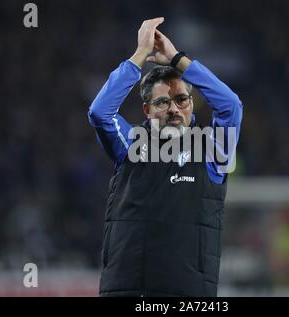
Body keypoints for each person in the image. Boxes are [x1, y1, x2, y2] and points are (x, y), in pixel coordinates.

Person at [88, 17, 243, 297]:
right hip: (128, 290)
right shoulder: (131, 143)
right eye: (162, 102)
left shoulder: (212, 150)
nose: (174, 108)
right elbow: (100, 113)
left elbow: (230, 105)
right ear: (147, 110)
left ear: (191, 105)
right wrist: (139, 56)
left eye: (181, 99)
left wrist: (177, 59)